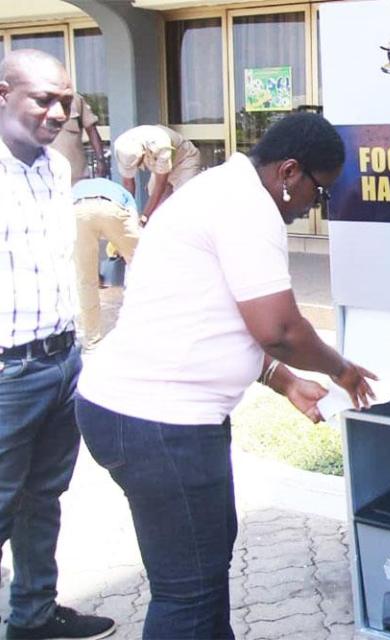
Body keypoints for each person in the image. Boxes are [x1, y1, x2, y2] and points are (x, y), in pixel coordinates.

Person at [74, 112, 377, 639]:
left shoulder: (217, 189)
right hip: (161, 425)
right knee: (187, 593)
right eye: (318, 192)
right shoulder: (245, 207)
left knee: (203, 574)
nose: (314, 207)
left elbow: (209, 316)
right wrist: (343, 369)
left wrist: (283, 381)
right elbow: (279, 328)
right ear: (289, 172)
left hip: (144, 417)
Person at [0, 49, 116, 640]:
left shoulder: (55, 167)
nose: (55, 110)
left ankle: (33, 618)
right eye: (42, 98)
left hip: (61, 360)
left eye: (64, 100)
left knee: (42, 498)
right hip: (6, 374)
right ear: (3, 94)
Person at [72, 178, 140, 349]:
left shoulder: (77, 188)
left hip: (77, 210)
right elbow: (132, 221)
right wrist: (122, 251)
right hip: (112, 208)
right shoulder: (123, 193)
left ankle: (92, 341)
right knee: (142, 263)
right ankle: (145, 326)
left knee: (86, 281)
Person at [112, 124, 201, 225]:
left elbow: (160, 187)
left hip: (184, 161)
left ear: (142, 154)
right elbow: (128, 184)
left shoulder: (161, 145)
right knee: (156, 206)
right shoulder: (122, 146)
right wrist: (125, 214)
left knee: (184, 202)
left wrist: (144, 218)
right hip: (159, 164)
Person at [49, 92, 107, 184]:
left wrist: (100, 160)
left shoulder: (75, 99)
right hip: (45, 176)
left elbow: (91, 130)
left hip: (77, 177)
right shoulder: (32, 101)